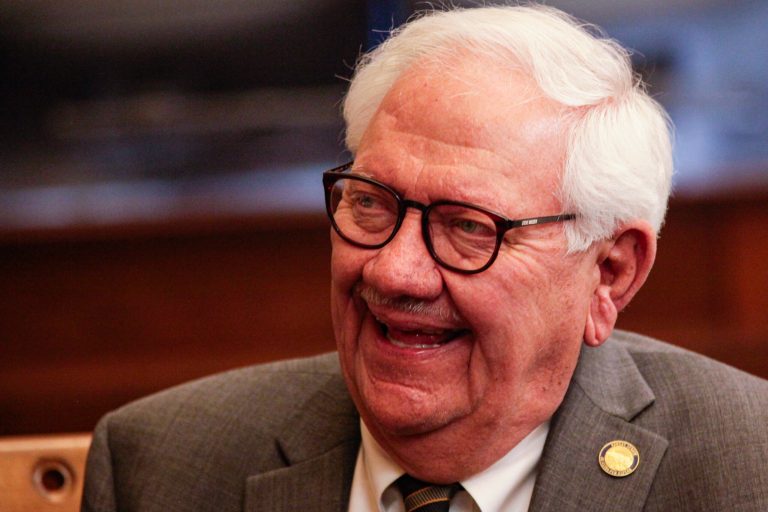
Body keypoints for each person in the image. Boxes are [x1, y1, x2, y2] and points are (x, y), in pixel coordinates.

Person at [81, 5, 768, 512]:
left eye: (470, 228)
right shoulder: (159, 468)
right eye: (372, 204)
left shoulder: (747, 469)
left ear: (609, 272)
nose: (393, 271)